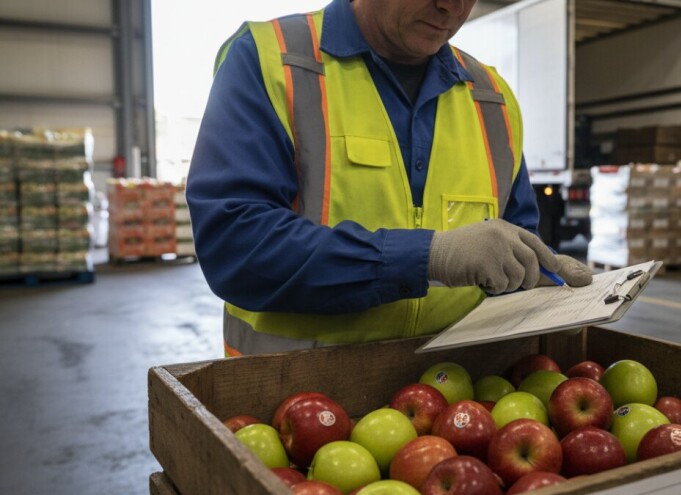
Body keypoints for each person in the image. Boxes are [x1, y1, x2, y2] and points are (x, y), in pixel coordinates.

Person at [186, 0, 593, 356]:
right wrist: (428, 257)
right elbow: (235, 245)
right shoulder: (270, 60)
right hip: (291, 397)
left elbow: (516, 240)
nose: (452, 6)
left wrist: (541, 287)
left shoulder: (491, 97)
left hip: (456, 399)